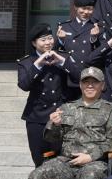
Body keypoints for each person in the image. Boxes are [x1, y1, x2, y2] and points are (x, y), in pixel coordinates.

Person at [18, 23, 75, 167]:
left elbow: (79, 77)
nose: (48, 42)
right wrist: (38, 64)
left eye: (50, 38)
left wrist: (62, 62)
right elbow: (24, 85)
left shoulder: (62, 57)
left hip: (61, 115)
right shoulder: (27, 62)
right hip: (37, 116)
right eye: (43, 40)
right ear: (34, 43)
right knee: (39, 158)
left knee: (62, 158)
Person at [56, 0, 100, 70]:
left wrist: (94, 38)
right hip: (67, 70)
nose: (86, 12)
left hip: (87, 70)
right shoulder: (64, 26)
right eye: (83, 8)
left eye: (89, 9)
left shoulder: (97, 27)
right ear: (75, 8)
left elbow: (100, 52)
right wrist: (60, 40)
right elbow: (55, 50)